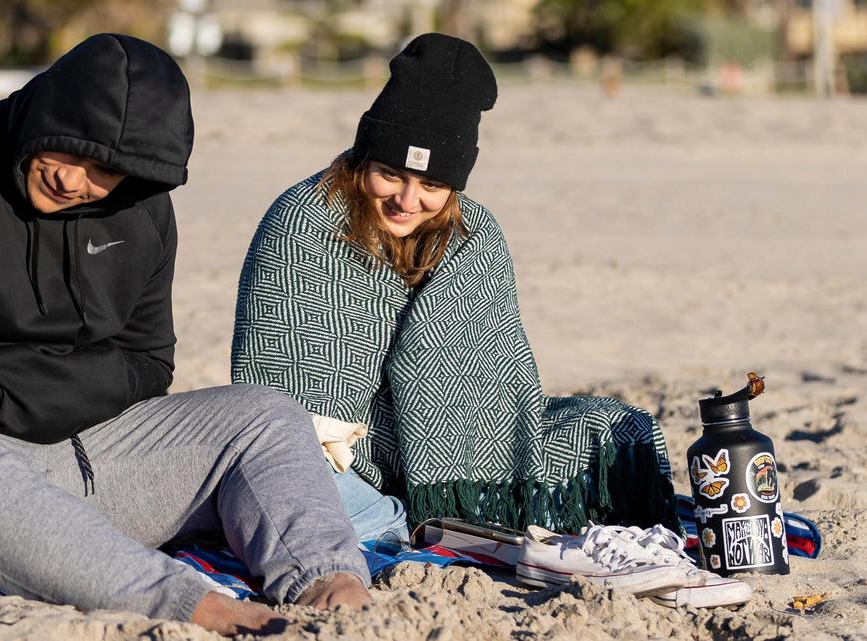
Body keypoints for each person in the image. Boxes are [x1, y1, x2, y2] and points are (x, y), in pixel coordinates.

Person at [0, 33, 372, 636]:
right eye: (74, 152)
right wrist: (23, 394)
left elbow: (148, 366)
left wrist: (38, 400)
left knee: (265, 415)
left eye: (110, 172)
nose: (80, 182)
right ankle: (191, 605)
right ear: (49, 116)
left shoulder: (141, 201)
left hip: (76, 464)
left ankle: (325, 578)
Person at [231, 33, 680, 539]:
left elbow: (499, 375)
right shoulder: (305, 223)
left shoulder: (475, 234)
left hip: (450, 443)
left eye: (432, 185)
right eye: (389, 174)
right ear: (363, 161)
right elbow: (285, 393)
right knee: (316, 494)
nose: (407, 199)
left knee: (619, 431)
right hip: (337, 446)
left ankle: (445, 506)